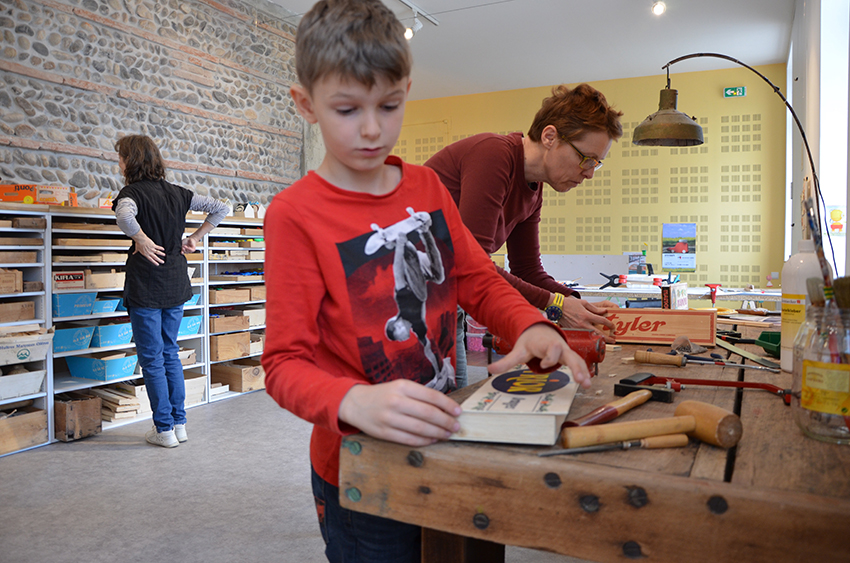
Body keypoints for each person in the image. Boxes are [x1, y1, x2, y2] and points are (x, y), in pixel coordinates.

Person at [261, 1, 593, 561]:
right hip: (359, 466)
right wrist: (354, 402)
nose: (372, 129)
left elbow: (476, 278)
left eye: (389, 106)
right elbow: (283, 364)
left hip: (443, 440)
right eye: (347, 109)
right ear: (306, 104)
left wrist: (531, 324)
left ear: (406, 92)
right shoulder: (295, 215)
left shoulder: (426, 189)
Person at [425, 84, 624, 387]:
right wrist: (557, 304)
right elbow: (472, 264)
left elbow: (527, 270)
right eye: (586, 158)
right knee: (433, 405)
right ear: (549, 137)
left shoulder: (533, 187)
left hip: (448, 302)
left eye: (596, 163)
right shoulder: (493, 155)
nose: (589, 173)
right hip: (407, 299)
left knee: (453, 403)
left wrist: (578, 305)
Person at [113, 135, 228, 448]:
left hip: (146, 284)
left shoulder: (131, 194)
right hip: (175, 282)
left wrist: (140, 239)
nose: (118, 163)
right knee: (170, 353)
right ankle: (179, 425)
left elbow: (124, 215)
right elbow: (221, 207)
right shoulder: (179, 193)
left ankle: (163, 430)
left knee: (152, 359)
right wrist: (196, 237)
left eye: (120, 158)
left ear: (130, 161)